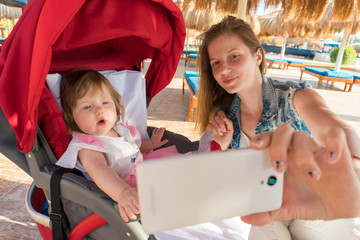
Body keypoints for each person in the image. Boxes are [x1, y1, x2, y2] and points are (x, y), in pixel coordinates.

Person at [196, 15, 360, 239]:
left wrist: (351, 163)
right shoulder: (224, 116)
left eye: (234, 56)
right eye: (216, 63)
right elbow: (217, 181)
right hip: (267, 208)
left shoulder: (295, 97)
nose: (224, 69)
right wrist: (220, 148)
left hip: (312, 196)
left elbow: (337, 129)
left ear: (258, 56)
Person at [56, 69, 175, 223]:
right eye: (87, 107)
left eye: (105, 103)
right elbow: (99, 170)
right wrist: (123, 193)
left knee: (175, 180)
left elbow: (133, 147)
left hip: (144, 174)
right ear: (71, 116)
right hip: (125, 188)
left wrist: (151, 144)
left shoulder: (119, 129)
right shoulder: (88, 146)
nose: (100, 110)